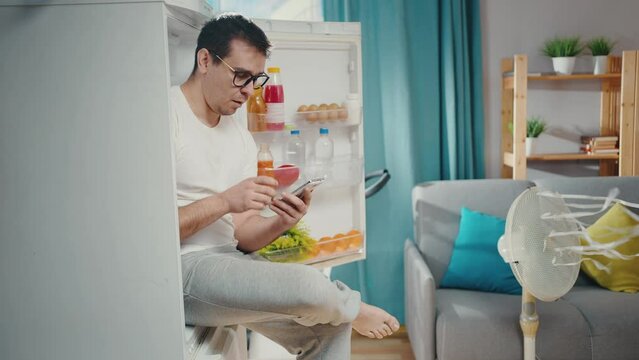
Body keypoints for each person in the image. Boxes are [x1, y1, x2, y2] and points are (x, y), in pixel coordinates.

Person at [172, 13, 399, 359]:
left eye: (256, 79)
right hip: (185, 270)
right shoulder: (166, 117)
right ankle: (355, 307)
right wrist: (225, 201)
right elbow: (154, 233)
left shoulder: (239, 134)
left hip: (229, 263)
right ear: (205, 60)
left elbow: (243, 234)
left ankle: (345, 311)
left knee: (328, 326)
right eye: (240, 76)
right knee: (313, 287)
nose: (248, 91)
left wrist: (282, 221)